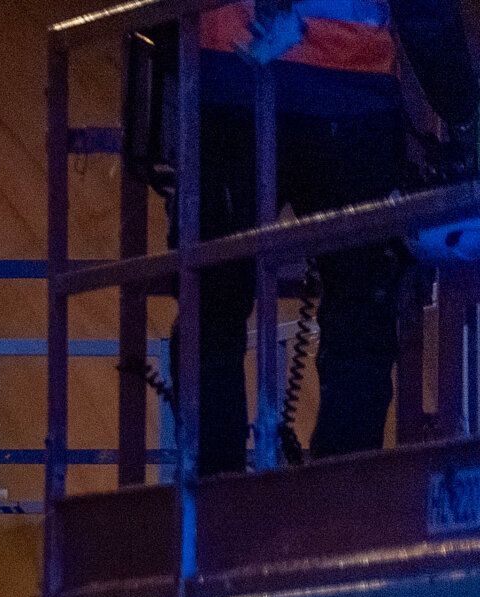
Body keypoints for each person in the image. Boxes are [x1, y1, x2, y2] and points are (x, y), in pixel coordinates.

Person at [190, 0, 478, 476]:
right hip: (349, 92)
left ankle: (211, 502)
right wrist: (461, 112)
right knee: (360, 305)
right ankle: (342, 495)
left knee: (211, 298)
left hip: (229, 79)